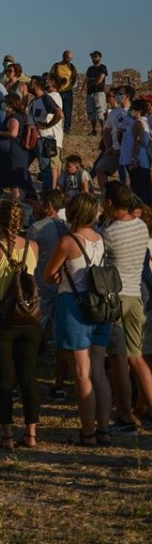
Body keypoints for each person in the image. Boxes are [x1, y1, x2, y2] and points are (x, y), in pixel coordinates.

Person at [43, 193, 113, 446]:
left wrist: (60, 277)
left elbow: (48, 274)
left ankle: (87, 431)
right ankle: (104, 428)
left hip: (74, 305)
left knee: (82, 374)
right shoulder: (102, 239)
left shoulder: (68, 242)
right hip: (100, 304)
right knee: (98, 372)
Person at [0, 200, 41, 451]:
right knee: (28, 375)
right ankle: (32, 433)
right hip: (30, 318)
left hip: (1, 319)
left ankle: (7, 436)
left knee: (3, 378)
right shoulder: (33, 246)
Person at [101, 182, 152, 432]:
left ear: (110, 203)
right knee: (137, 357)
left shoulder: (109, 234)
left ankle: (124, 415)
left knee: (118, 360)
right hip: (136, 295)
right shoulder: (141, 226)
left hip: (116, 298)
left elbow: (100, 263)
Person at [27, 190, 70, 400]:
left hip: (41, 287)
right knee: (62, 338)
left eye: (40, 202)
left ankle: (24, 379)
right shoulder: (65, 227)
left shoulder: (37, 228)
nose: (36, 206)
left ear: (48, 206)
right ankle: (59, 384)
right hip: (60, 287)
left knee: (32, 333)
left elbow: (28, 258)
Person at [0, 94, 32, 200]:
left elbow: (13, 133)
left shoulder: (14, 117)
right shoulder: (19, 115)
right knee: (17, 182)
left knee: (15, 183)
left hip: (14, 151)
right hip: (15, 151)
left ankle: (16, 203)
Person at [28, 75, 65, 191]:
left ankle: (49, 194)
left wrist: (46, 125)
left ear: (37, 85)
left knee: (46, 167)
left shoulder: (47, 98)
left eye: (32, 83)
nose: (29, 85)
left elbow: (59, 114)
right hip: (33, 139)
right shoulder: (33, 102)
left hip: (43, 138)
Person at [120, 99, 152, 204]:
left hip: (139, 162)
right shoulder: (145, 122)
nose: (130, 111)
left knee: (140, 194)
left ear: (137, 111)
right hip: (143, 162)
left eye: (132, 109)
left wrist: (134, 159)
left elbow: (139, 142)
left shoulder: (138, 123)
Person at [50, 50, 77, 133]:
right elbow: (51, 76)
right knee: (55, 110)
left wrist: (69, 86)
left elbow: (74, 78)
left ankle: (67, 129)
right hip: (58, 92)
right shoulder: (56, 66)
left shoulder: (72, 67)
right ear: (64, 56)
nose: (69, 60)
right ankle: (55, 127)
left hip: (68, 92)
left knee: (67, 111)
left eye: (70, 58)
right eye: (67, 58)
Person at [84, 51, 108, 136]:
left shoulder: (102, 68)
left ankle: (103, 130)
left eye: (95, 57)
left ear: (100, 57)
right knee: (91, 112)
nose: (94, 58)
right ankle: (94, 130)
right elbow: (86, 80)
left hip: (99, 92)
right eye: (92, 57)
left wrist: (91, 84)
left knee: (101, 112)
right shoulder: (90, 69)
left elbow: (100, 80)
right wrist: (84, 88)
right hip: (90, 93)